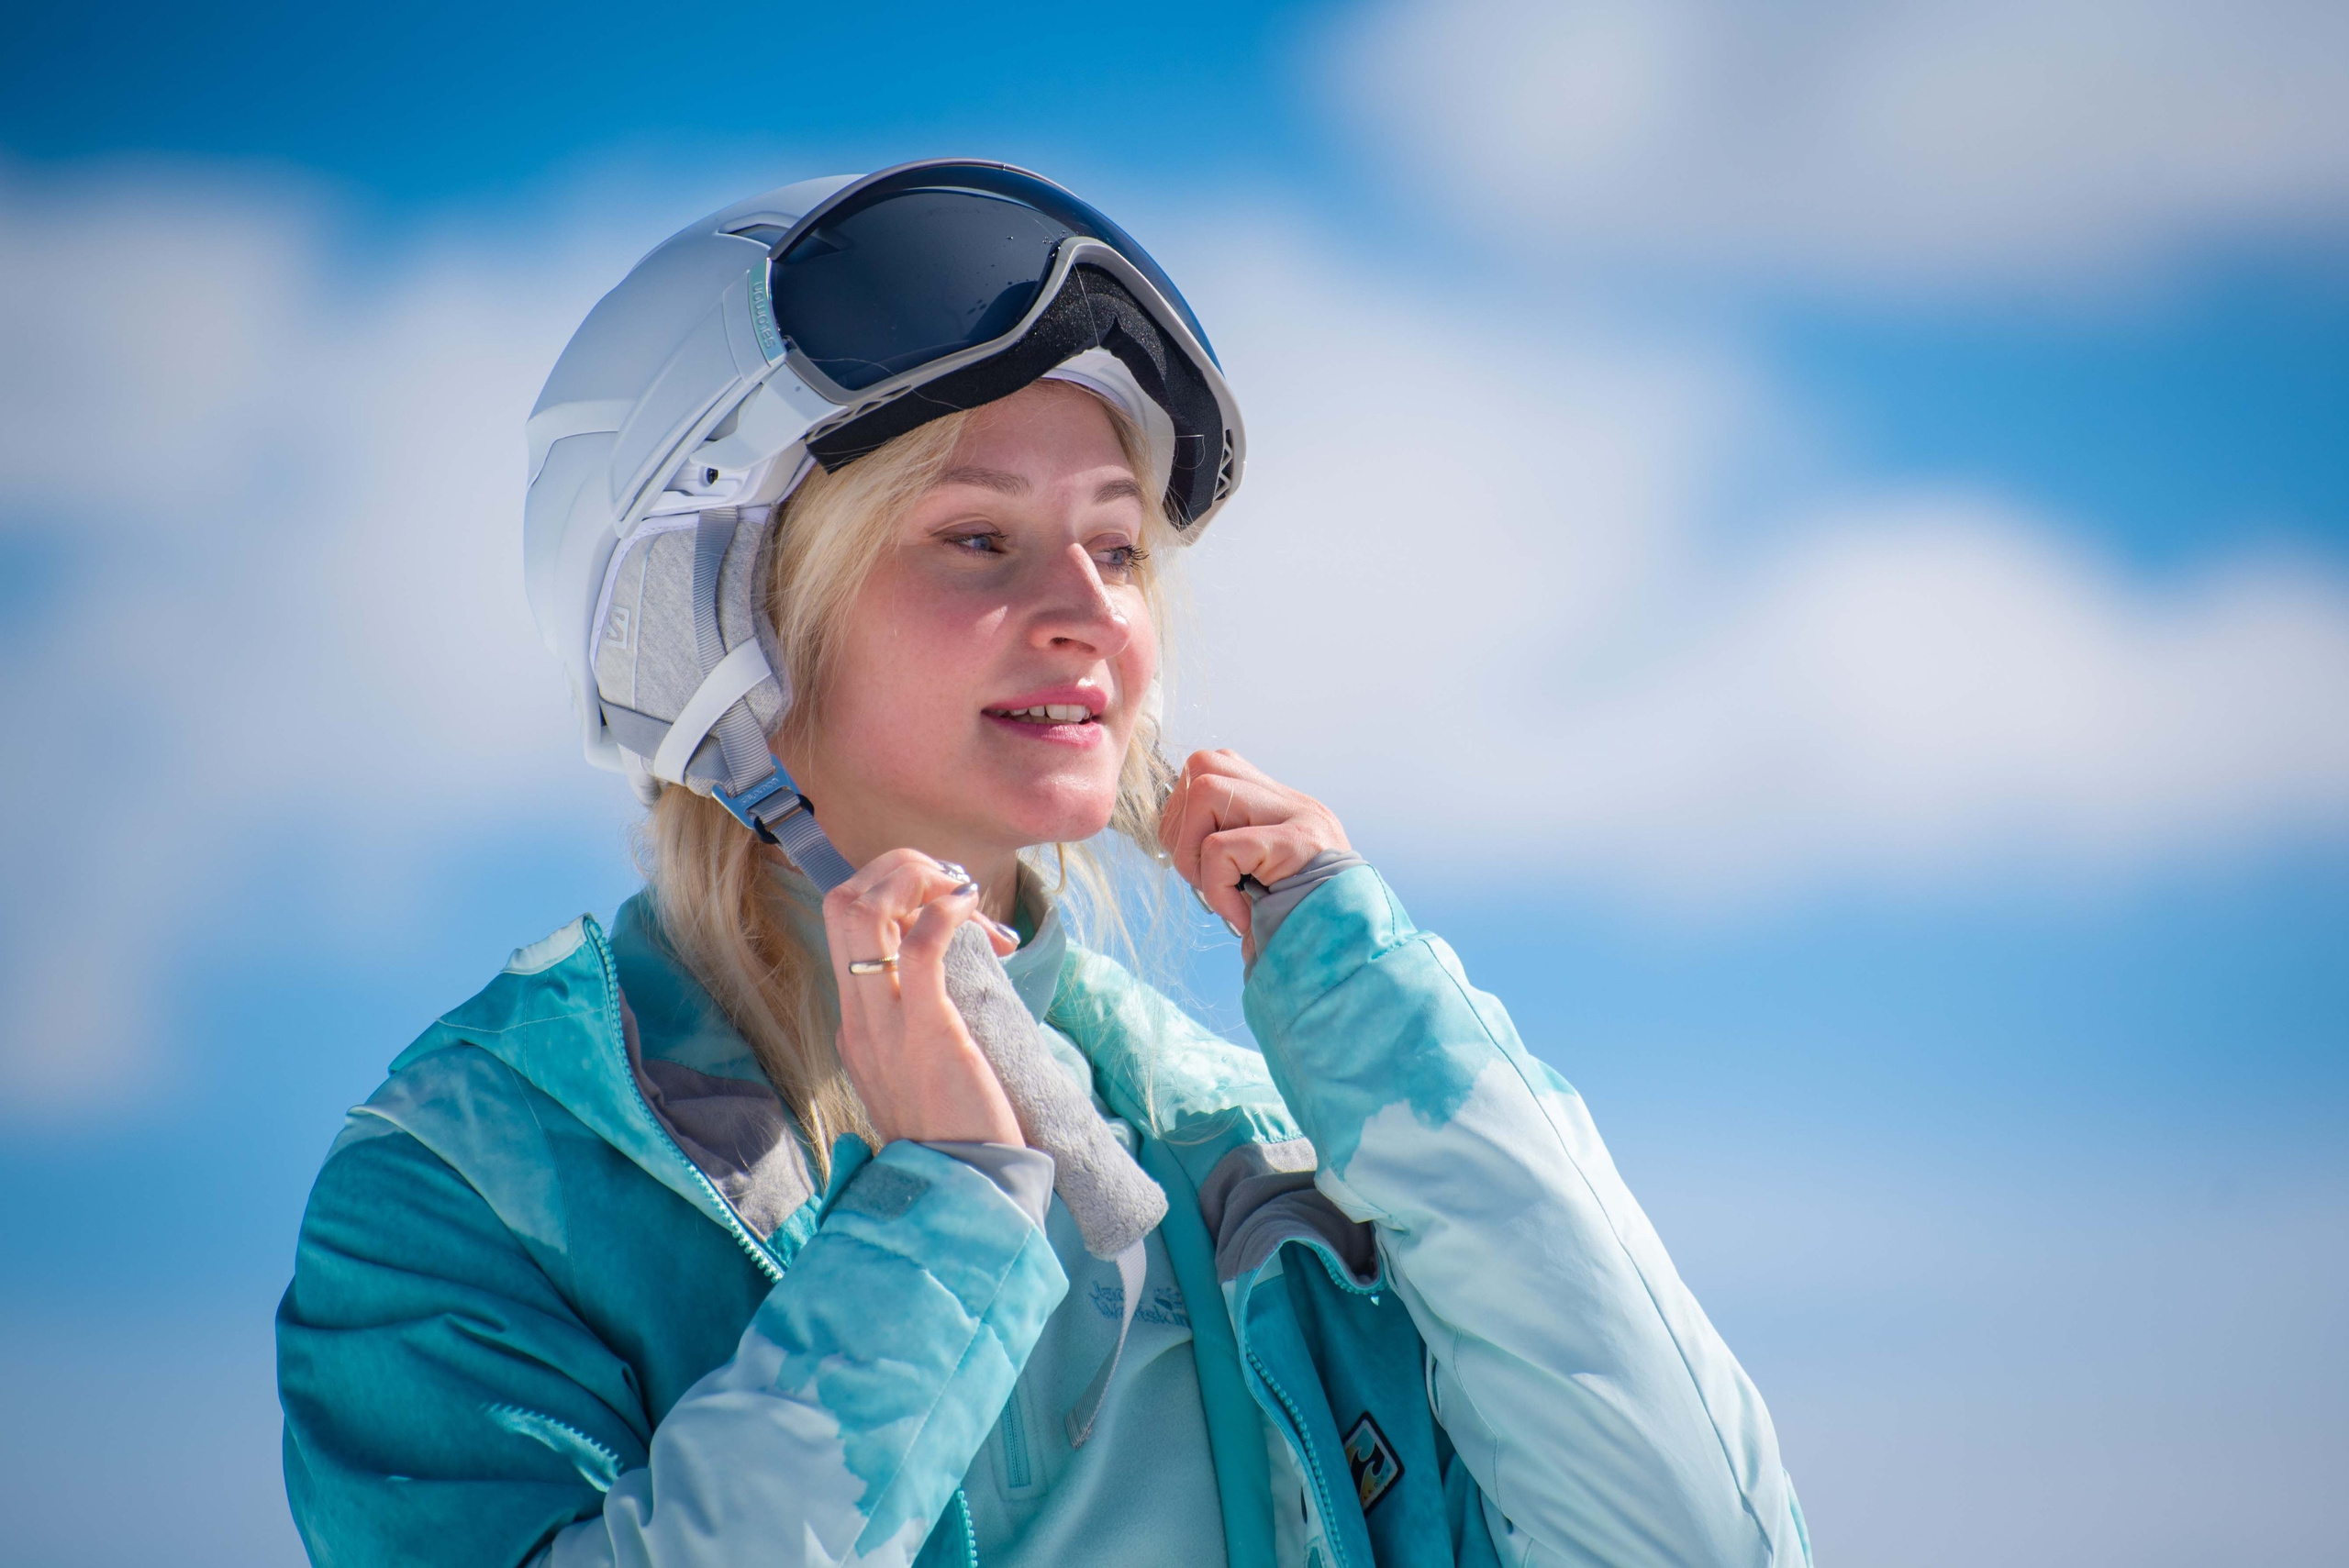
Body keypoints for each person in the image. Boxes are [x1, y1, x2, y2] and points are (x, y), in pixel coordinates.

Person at [276, 161, 1812, 1568]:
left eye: (1121, 545)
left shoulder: (1246, 1148)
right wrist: (939, 1225)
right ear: (716, 629)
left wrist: (1393, 1033)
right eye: (974, 539)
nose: (1092, 610)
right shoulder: (488, 1173)